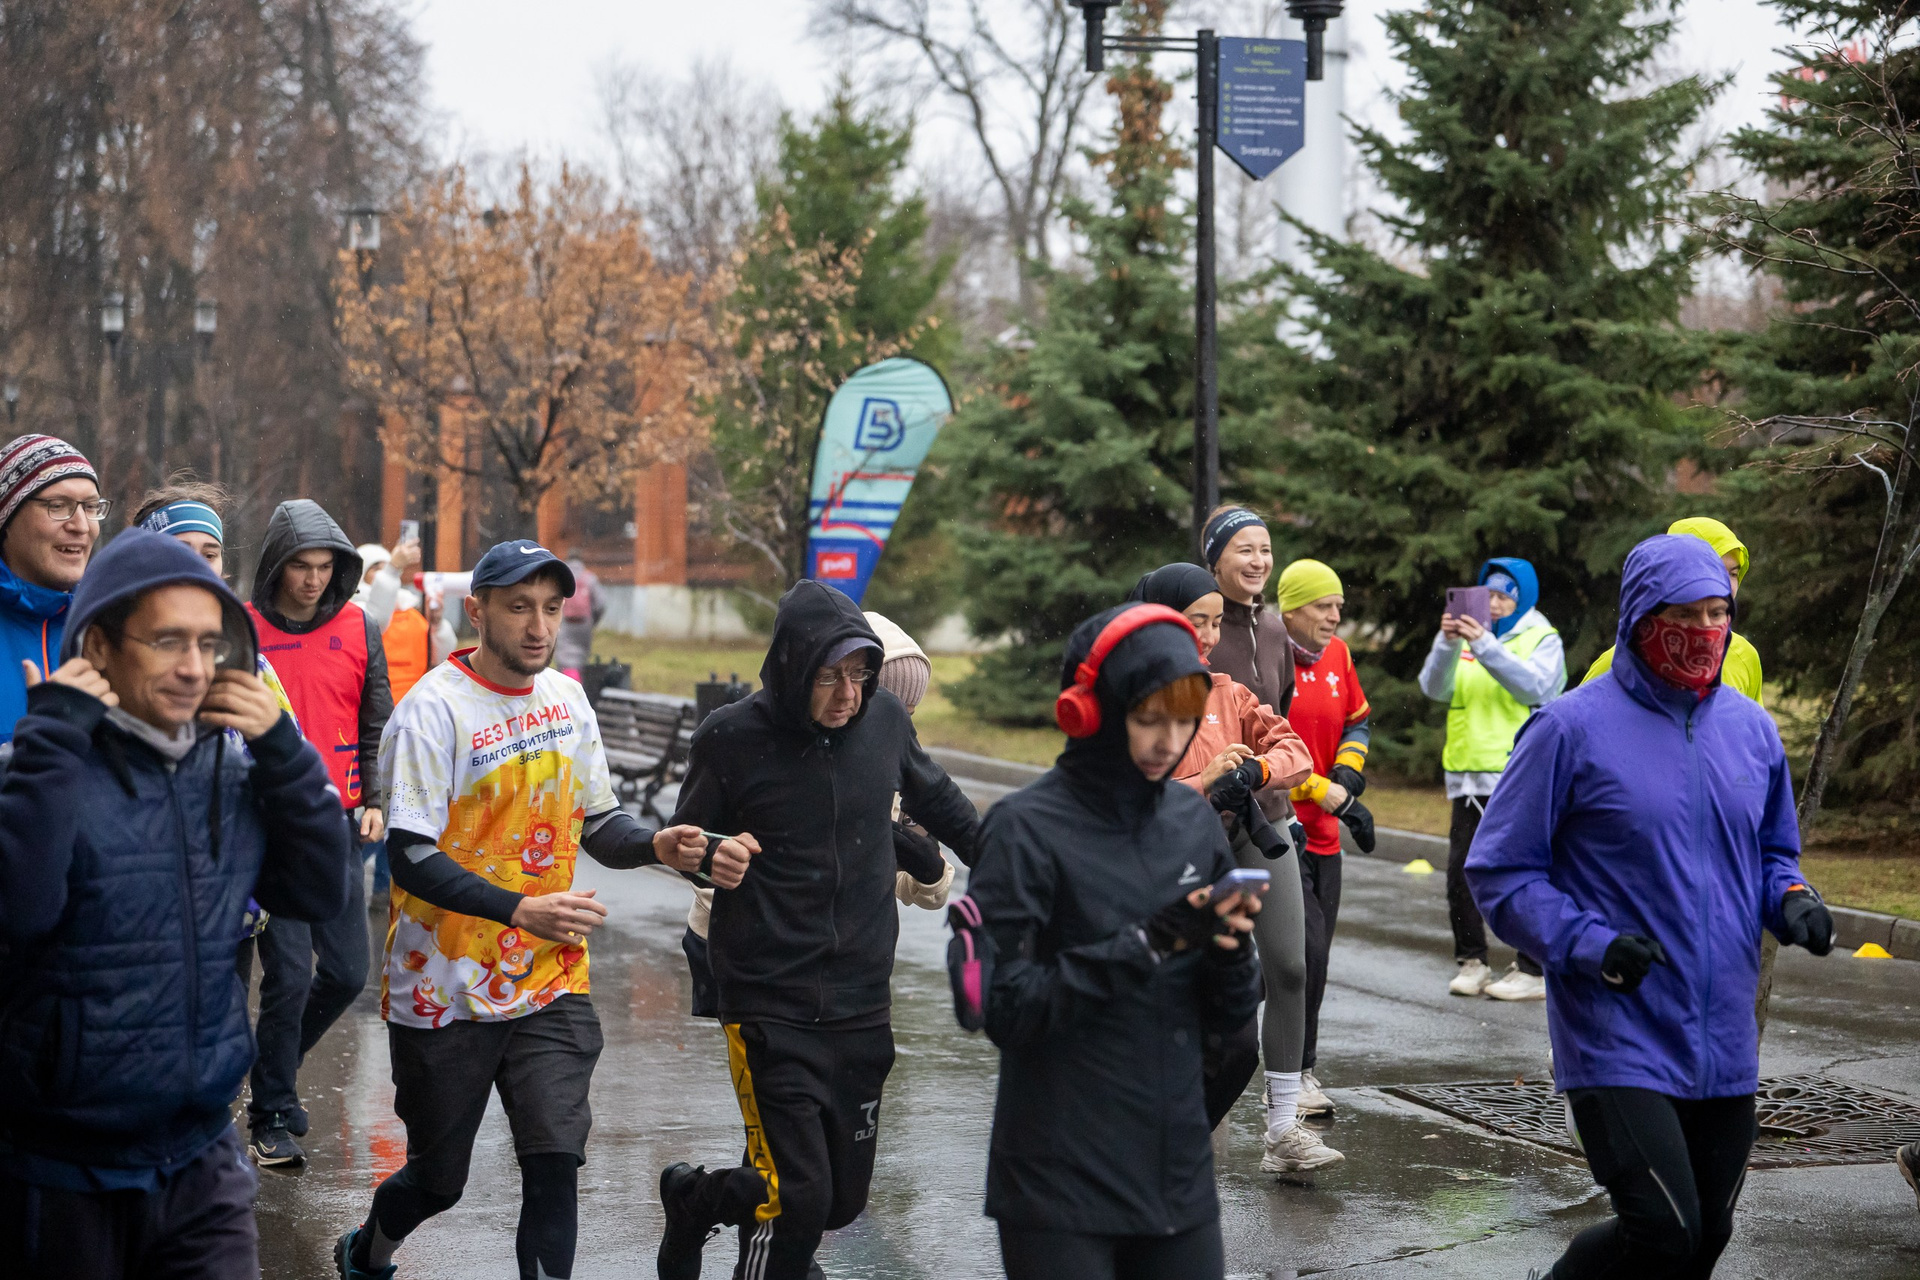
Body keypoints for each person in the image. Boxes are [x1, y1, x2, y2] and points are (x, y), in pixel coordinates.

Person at [334, 539, 758, 1280]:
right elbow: (410, 855)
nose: (538, 626)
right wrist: (519, 908)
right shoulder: (432, 711)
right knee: (438, 1180)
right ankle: (369, 1250)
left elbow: (600, 823)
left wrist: (657, 844)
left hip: (550, 979)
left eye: (552, 609)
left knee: (555, 1162)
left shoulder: (566, 698)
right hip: (444, 990)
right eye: (519, 607)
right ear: (477, 611)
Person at [1467, 534, 1834, 1280]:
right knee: (1665, 1231)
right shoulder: (1569, 728)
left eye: (1718, 613)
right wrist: (1589, 944)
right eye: (1686, 615)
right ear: (1640, 617)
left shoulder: (1752, 731)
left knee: (1706, 1238)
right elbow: (1501, 872)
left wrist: (1792, 898)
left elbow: (1773, 855)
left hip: (1724, 1035)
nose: (1705, 631)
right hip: (1616, 1029)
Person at [0, 529, 351, 1279]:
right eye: (168, 642)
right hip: (57, 1175)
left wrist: (283, 751)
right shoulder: (37, 770)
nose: (195, 667)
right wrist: (49, 746)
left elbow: (319, 889)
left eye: (209, 644)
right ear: (99, 646)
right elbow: (17, 910)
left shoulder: (232, 771)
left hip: (201, 1163)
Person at [656, 581, 979, 1280]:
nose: (847, 695)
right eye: (830, 676)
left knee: (837, 1202)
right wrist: (711, 855)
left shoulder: (883, 720)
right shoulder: (731, 738)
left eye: (859, 675)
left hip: (861, 1001)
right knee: (796, 1198)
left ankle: (697, 1199)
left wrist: (1017, 864)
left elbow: (942, 802)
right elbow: (685, 842)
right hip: (768, 1002)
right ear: (792, 667)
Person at [963, 602, 1263, 1280]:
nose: (1168, 741)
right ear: (1092, 710)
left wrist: (1228, 954)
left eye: (1184, 722)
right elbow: (1004, 1007)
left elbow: (1231, 1015)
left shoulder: (1192, 820)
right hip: (1057, 1180)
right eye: (1148, 718)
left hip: (1175, 1174)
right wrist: (1150, 943)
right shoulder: (1023, 830)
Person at [1126, 563, 1337, 1173]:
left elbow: (1294, 750)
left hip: (1251, 834)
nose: (1210, 636)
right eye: (1198, 621)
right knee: (1189, 991)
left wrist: (1257, 770)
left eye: (1218, 622)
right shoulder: (1132, 698)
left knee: (1291, 967)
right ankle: (1167, 1123)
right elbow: (1127, 798)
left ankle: (1283, 1129)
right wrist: (1204, 782)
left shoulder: (1228, 691)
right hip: (1177, 850)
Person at [674, 610, 959, 1019]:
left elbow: (874, 872)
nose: (895, 724)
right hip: (746, 955)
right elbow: (694, 846)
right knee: (765, 1052)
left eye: (910, 713)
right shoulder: (764, 748)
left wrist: (925, 865)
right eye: (891, 705)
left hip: (833, 966)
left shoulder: (883, 753)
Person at [243, 499, 392, 1169]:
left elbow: (375, 722)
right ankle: (272, 1110)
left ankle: (268, 1070)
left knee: (348, 971)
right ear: (276, 564)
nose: (311, 579)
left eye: (324, 566)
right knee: (288, 976)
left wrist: (376, 798)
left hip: (337, 824)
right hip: (268, 825)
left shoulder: (361, 626)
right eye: (299, 565)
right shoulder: (241, 629)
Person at [1418, 556, 1567, 1002]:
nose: (1496, 604)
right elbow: (1434, 688)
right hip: (1468, 775)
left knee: (1522, 872)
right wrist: (1447, 643)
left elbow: (1535, 687)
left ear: (1524, 598)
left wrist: (1484, 644)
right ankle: (1472, 961)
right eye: (1490, 595)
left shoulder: (1542, 637)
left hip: (1516, 774)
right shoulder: (1469, 636)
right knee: (1460, 873)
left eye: (1505, 596)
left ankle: (1532, 967)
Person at [1273, 559, 1374, 1115]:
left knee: (1316, 961)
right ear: (1290, 610)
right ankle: (1286, 1072)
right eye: (1322, 606)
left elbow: (1358, 719)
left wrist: (1348, 773)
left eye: (1338, 606)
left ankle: (1302, 1070)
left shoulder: (1338, 655)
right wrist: (1321, 790)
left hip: (1325, 840)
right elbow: (1263, 746)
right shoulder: (1270, 654)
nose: (1334, 616)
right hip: (1277, 831)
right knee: (1301, 954)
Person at [1584, 517, 1764, 703]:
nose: (1726, 585)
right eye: (1714, 570)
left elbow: (1751, 721)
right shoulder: (1619, 663)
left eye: (1733, 574)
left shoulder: (1744, 656)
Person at [0, 433, 103, 742]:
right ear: (6, 519)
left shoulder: (109, 630)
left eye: (91, 507)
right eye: (58, 506)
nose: (81, 526)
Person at [554, 552, 606, 681]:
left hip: (565, 622)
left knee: (564, 655)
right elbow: (601, 604)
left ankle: (565, 683)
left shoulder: (561, 577)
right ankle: (577, 683)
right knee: (581, 656)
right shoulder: (589, 577)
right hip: (584, 624)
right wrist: (592, 621)